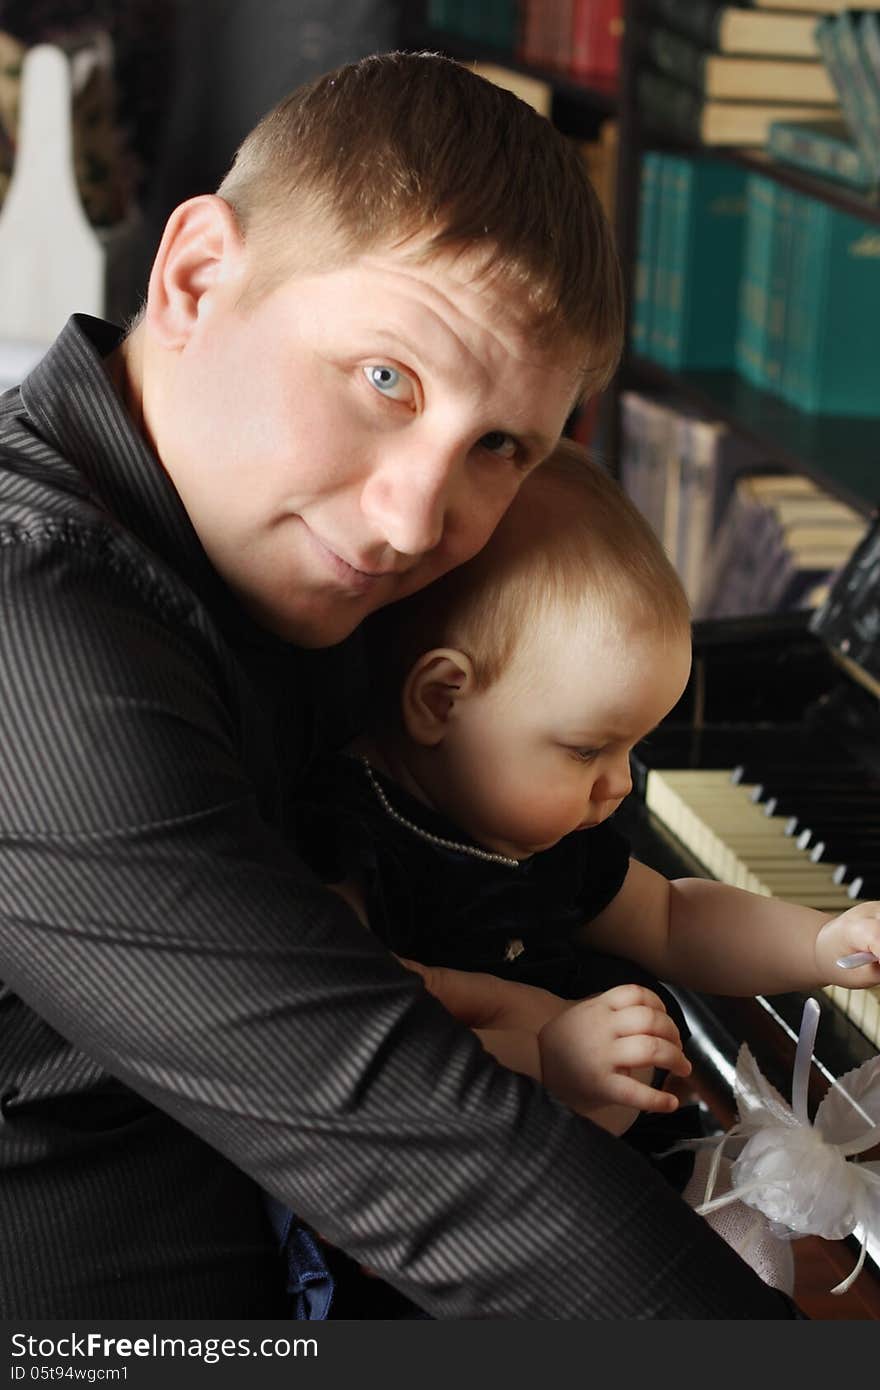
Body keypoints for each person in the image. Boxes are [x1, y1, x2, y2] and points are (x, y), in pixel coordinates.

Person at [0, 51, 809, 1319]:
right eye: (386, 380)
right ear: (197, 275)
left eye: (499, 447)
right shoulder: (31, 632)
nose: (413, 518)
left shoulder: (269, 545)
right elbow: (448, 1165)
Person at [297, 441, 880, 1300]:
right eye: (587, 748)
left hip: (604, 1176)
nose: (620, 783)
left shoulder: (544, 832)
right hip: (460, 1238)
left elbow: (676, 919)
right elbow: (367, 1051)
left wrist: (825, 945)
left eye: (632, 747)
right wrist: (543, 1055)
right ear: (440, 700)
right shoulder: (353, 847)